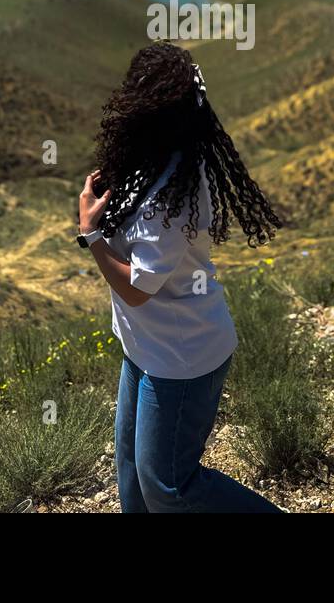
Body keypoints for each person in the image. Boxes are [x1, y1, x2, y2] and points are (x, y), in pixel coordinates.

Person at [75, 42, 283, 513]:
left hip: (182, 358)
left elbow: (136, 288)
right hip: (146, 350)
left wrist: (89, 234)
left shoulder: (172, 195)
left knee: (170, 488)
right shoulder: (150, 161)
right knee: (132, 482)